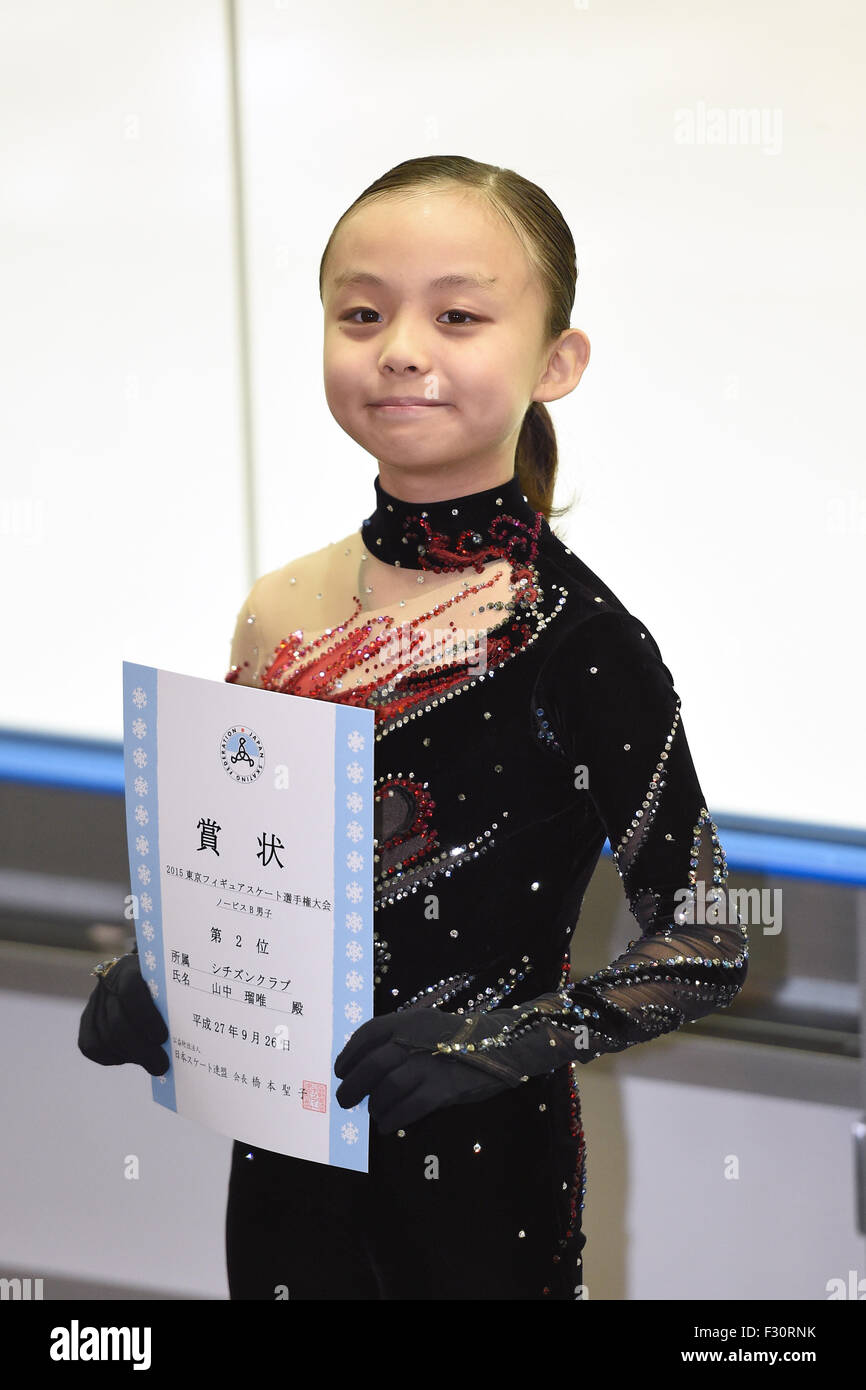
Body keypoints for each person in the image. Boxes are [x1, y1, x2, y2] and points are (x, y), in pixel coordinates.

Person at [79, 154, 749, 1300]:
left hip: (486, 1170)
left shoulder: (577, 640)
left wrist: (514, 1037)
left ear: (555, 361)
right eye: (361, 311)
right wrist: (161, 966)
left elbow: (707, 936)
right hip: (290, 1149)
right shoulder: (279, 607)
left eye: (456, 314)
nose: (399, 346)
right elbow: (241, 873)